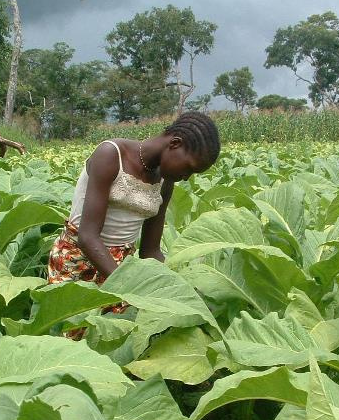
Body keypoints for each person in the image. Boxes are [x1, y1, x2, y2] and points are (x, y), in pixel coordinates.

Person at [47, 111, 220, 299]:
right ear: (175, 143)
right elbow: (88, 238)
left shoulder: (166, 180)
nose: (187, 177)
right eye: (189, 168)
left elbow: (150, 251)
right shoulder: (111, 154)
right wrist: (132, 292)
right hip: (78, 262)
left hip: (123, 267)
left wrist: (180, 290)